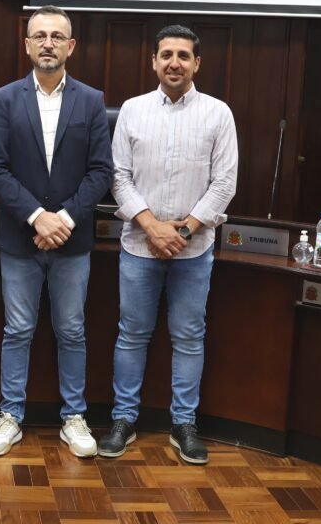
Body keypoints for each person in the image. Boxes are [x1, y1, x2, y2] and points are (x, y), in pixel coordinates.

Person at [97, 25, 238, 464]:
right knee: (131, 335)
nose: (173, 62)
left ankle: (184, 423)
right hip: (139, 246)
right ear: (153, 62)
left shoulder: (218, 114)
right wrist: (151, 226)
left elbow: (225, 182)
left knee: (189, 337)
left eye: (182, 55)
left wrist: (181, 232)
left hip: (193, 251)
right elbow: (117, 176)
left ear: (197, 63)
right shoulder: (133, 112)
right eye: (166, 55)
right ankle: (123, 419)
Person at [0, 5, 113, 457]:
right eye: (40, 36)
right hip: (20, 238)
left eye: (57, 36)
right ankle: (11, 416)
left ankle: (73, 417)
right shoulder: (4, 98)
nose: (48, 43)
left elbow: (100, 172)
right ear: (27, 44)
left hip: (73, 241)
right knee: (17, 330)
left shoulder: (92, 100)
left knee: (72, 330)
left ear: (70, 46)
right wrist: (38, 217)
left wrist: (65, 220)